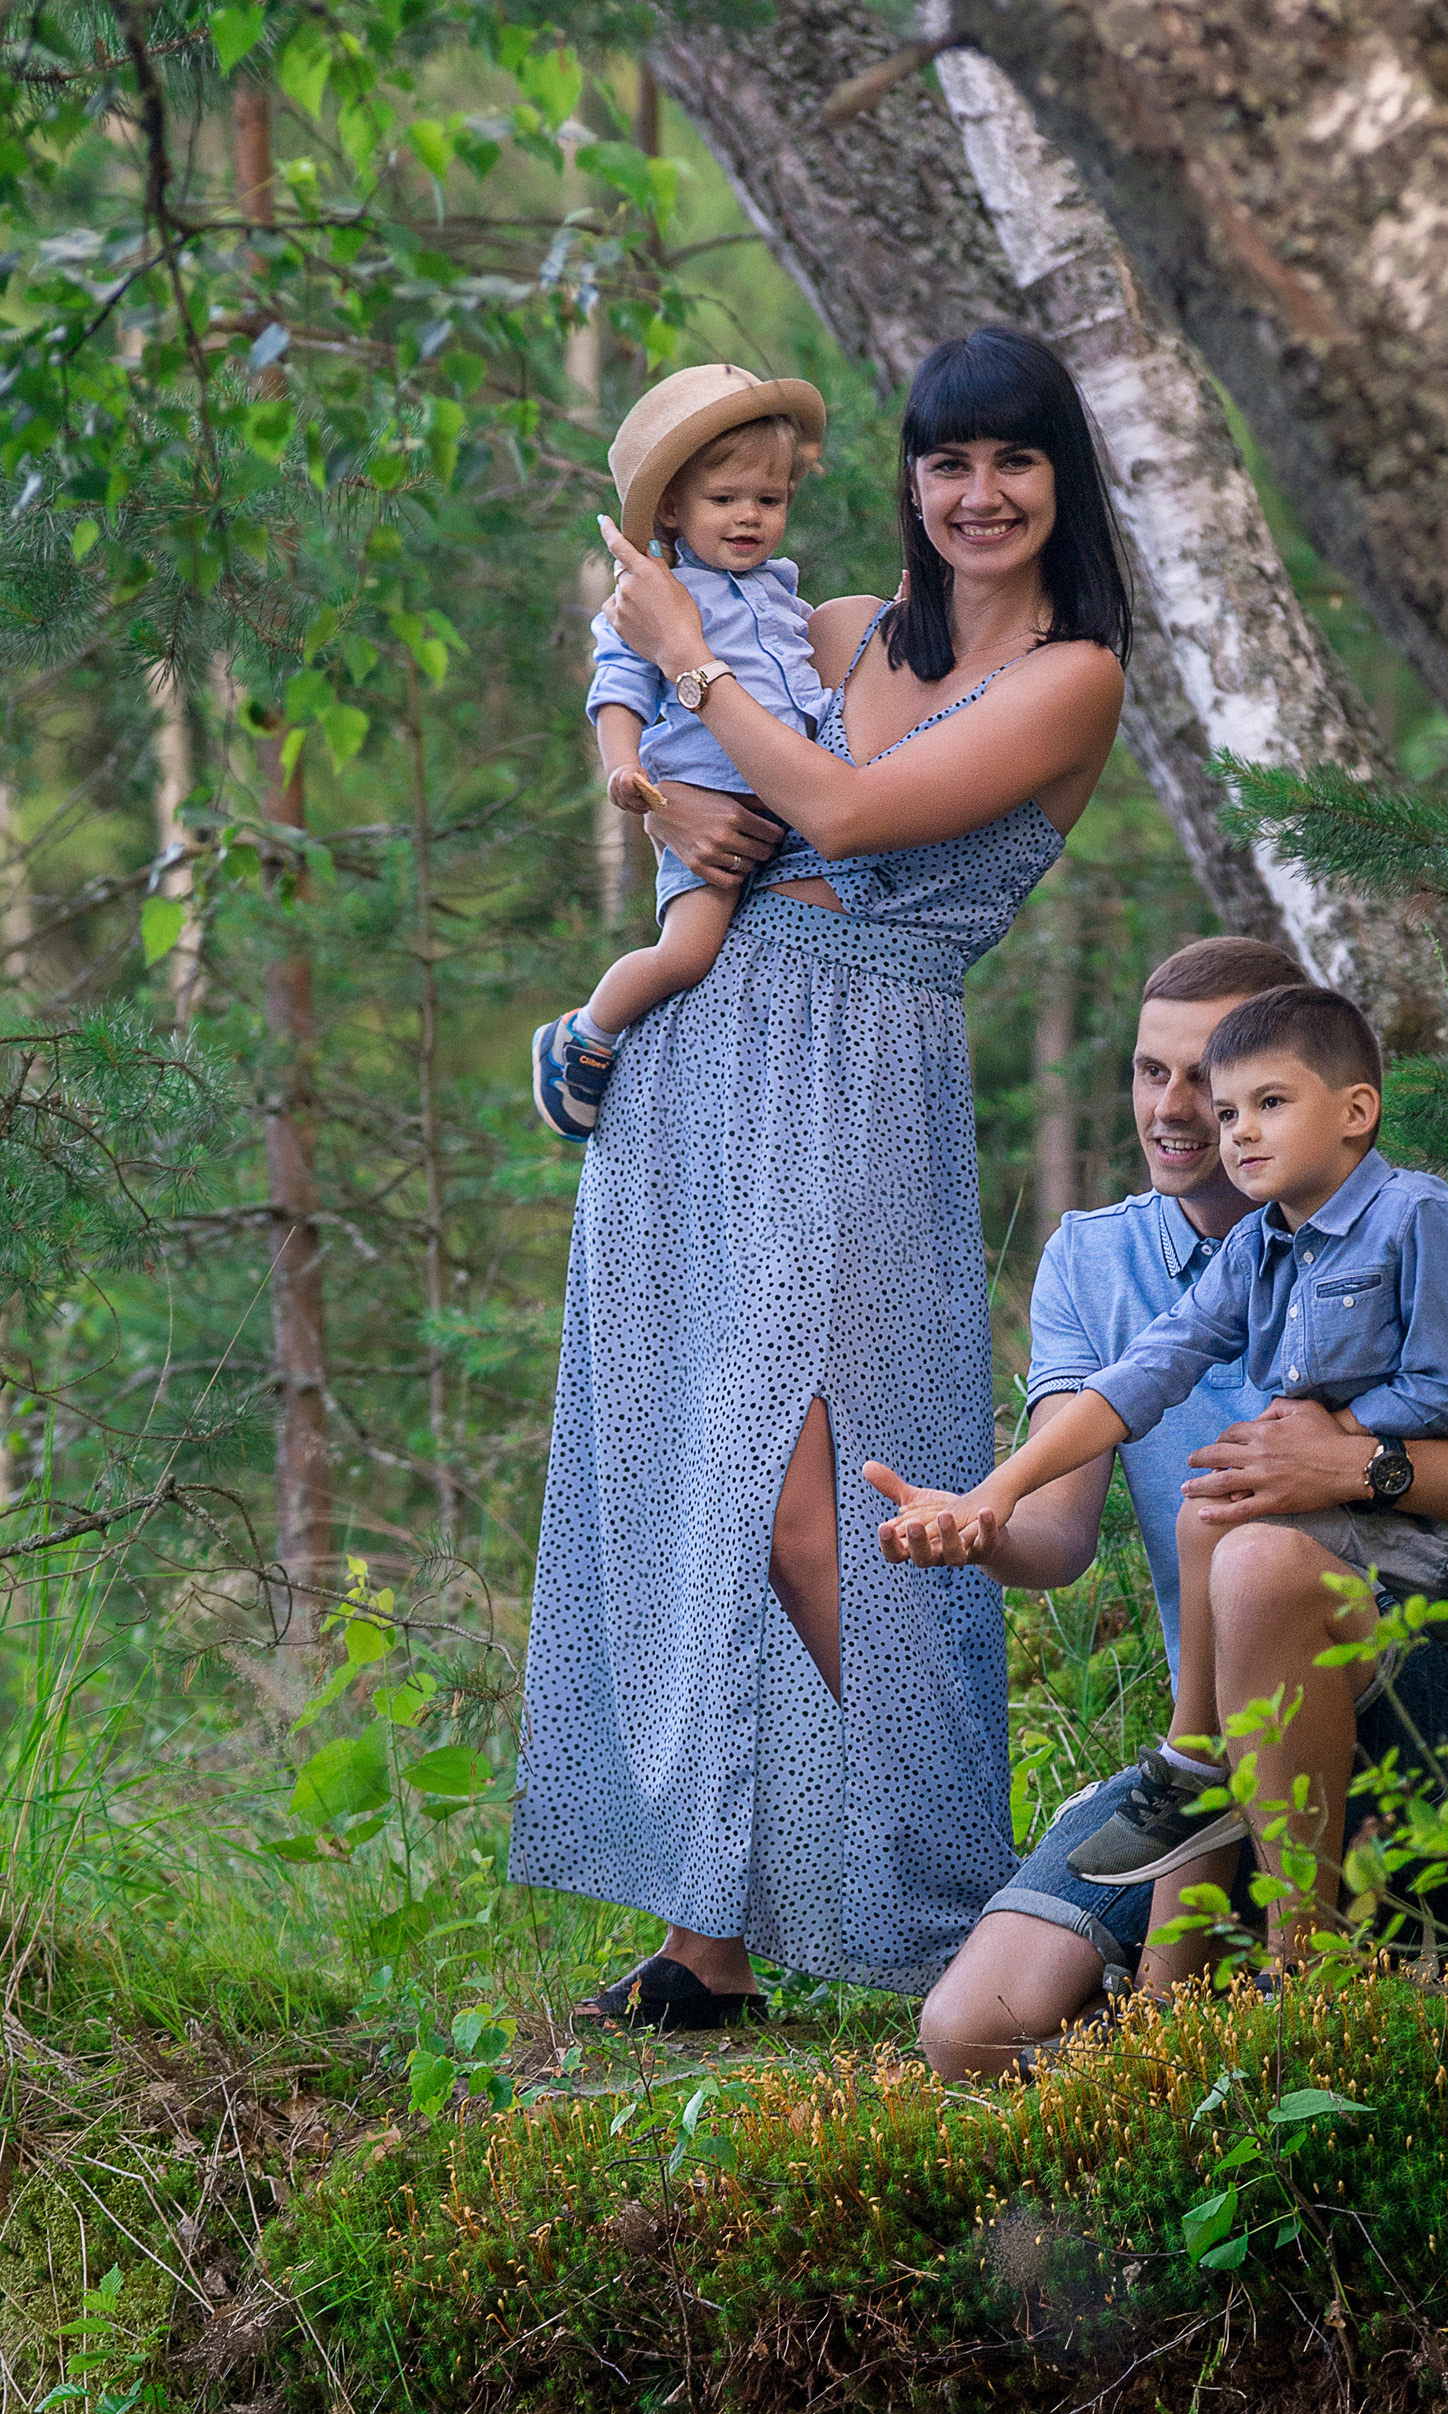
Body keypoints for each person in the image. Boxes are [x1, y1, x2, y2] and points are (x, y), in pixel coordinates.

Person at [509, 327, 1129, 2029]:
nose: (978, 494)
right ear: (913, 482)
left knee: (832, 1509)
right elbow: (693, 746)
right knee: (700, 1476)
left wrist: (690, 662)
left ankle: (948, 1916)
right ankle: (707, 1937)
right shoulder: (839, 629)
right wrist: (662, 807)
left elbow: (844, 819)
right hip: (699, 1057)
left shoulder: (1073, 675)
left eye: (1012, 460)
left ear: (1061, 480)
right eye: (947, 462)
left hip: (861, 1071)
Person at [864, 937, 1448, 2081]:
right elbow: (1059, 1535)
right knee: (970, 2032)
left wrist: (1356, 1463)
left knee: (1257, 1557)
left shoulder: (1413, 1227)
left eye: (1233, 1088)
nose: (1182, 1114)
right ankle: (1177, 2012)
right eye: (1155, 1074)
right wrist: (982, 1514)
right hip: (1229, 1727)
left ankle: (1295, 1970)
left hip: (1408, 1689)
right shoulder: (1103, 1258)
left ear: (1339, 1100)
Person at [531, 363, 830, 1140]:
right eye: (724, 499)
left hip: (789, 804)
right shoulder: (659, 595)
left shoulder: (781, 591)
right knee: (690, 954)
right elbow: (620, 686)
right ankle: (583, 1034)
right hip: (708, 802)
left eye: (770, 500)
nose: (749, 517)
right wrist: (623, 767)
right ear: (672, 507)